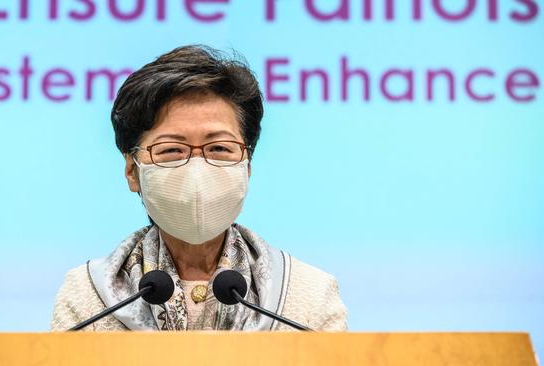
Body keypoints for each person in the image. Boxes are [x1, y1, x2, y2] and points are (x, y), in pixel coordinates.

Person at [50, 44, 347, 331]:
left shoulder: (307, 297)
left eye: (218, 148)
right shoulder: (89, 298)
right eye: (172, 150)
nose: (196, 169)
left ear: (247, 166)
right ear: (132, 170)